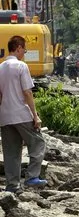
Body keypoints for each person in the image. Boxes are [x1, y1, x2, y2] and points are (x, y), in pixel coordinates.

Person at [0, 35, 48, 193]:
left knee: (11, 152)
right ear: (18, 48)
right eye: (24, 50)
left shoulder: (0, 68)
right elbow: (27, 92)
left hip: (5, 116)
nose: (24, 53)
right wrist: (35, 116)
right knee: (38, 143)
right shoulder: (21, 66)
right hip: (21, 113)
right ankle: (31, 177)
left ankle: (12, 186)